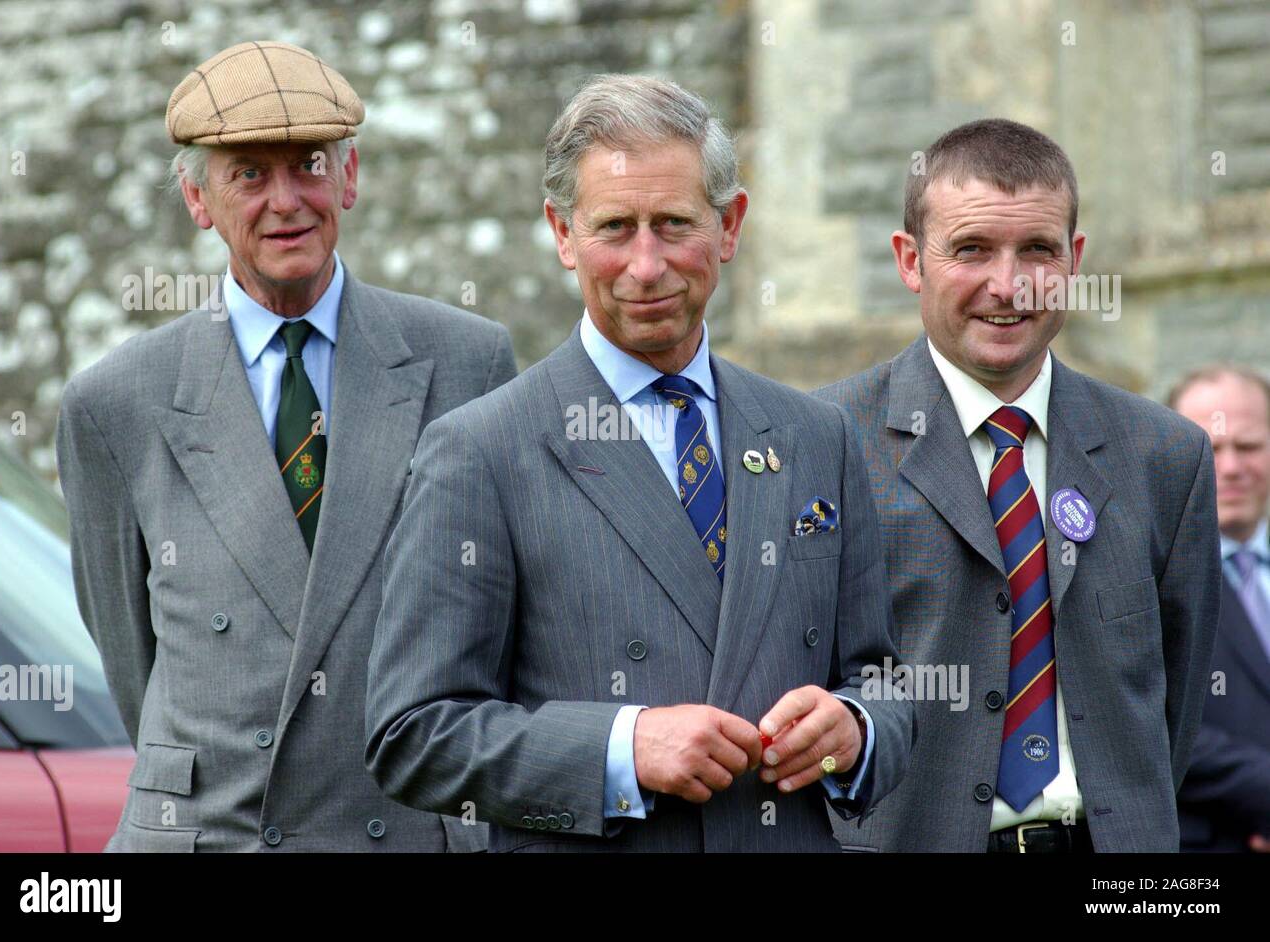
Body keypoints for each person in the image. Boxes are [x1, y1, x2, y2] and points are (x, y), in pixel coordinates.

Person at [365, 74, 912, 852]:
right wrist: (622, 749)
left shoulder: (813, 435)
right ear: (562, 233)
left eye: (675, 224)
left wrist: (854, 731)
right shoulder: (481, 450)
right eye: (615, 227)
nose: (647, 265)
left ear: (730, 226)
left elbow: (883, 683)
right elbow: (412, 735)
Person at [56, 41, 516, 851]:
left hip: (403, 830)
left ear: (350, 177)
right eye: (248, 175)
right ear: (199, 201)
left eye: (307, 164)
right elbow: (131, 660)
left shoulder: (466, 361)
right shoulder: (114, 403)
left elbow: (501, 624)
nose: (286, 201)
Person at [816, 118, 1221, 852]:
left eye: (1037, 249)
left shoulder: (1167, 455)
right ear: (911, 261)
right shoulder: (823, 442)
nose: (1008, 286)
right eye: (970, 249)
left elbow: (1176, 705)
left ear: (1074, 259)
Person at [1171, 366, 1270, 852]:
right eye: (1209, 448)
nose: (1231, 467)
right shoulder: (1143, 576)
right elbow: (1151, 716)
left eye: (1249, 447)